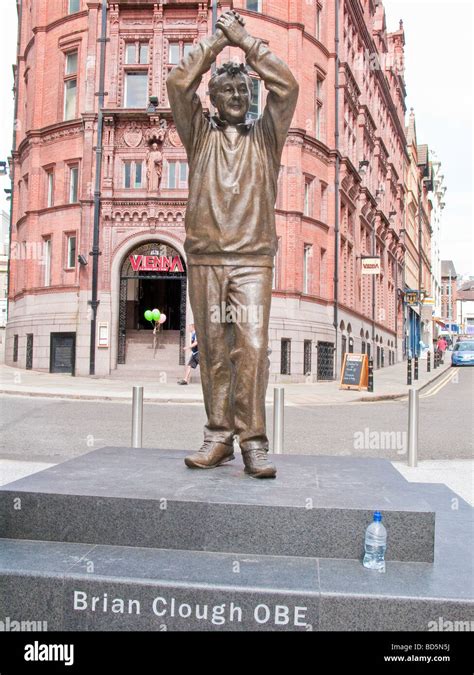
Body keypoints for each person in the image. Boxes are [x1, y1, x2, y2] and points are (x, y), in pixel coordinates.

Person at [167, 10, 298, 478]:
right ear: (214, 100)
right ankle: (218, 437)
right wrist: (213, 43)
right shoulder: (198, 134)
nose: (238, 96)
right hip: (204, 259)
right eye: (228, 91)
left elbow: (288, 86)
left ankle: (254, 443)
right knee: (216, 354)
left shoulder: (267, 137)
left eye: (244, 90)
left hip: (251, 260)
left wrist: (243, 40)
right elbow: (179, 84)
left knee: (254, 347)